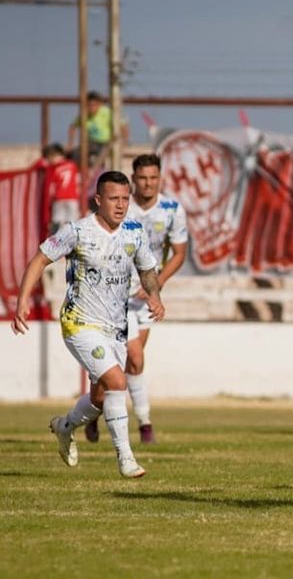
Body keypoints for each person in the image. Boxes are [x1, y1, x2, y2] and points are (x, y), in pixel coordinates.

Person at [10, 171, 164, 478]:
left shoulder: (134, 232)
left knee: (100, 397)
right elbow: (40, 259)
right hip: (79, 324)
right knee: (118, 382)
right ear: (98, 200)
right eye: (113, 199)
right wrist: (23, 300)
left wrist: (155, 294)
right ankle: (126, 458)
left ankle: (65, 427)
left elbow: (147, 270)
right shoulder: (77, 231)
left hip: (114, 328)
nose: (120, 205)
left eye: (124, 199)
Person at [85, 154, 189, 445]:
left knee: (128, 363)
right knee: (134, 356)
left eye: (153, 178)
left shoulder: (171, 209)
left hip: (145, 296)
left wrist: (157, 283)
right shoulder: (121, 207)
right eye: (142, 178)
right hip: (116, 294)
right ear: (134, 178)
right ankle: (144, 424)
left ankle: (94, 410)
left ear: (160, 178)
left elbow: (179, 253)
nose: (148, 184)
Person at [67, 91, 129, 167]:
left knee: (98, 157)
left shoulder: (107, 112)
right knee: (73, 154)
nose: (91, 108)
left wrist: (124, 142)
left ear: (100, 104)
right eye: (89, 105)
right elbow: (73, 127)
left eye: (94, 105)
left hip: (106, 143)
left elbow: (123, 125)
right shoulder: (84, 114)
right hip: (90, 143)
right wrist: (70, 143)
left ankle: (97, 172)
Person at [34, 143, 80, 235]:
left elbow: (38, 165)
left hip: (59, 198)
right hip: (72, 198)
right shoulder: (72, 165)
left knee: (57, 220)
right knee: (72, 221)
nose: (49, 160)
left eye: (50, 157)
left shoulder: (53, 168)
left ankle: (55, 242)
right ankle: (71, 240)